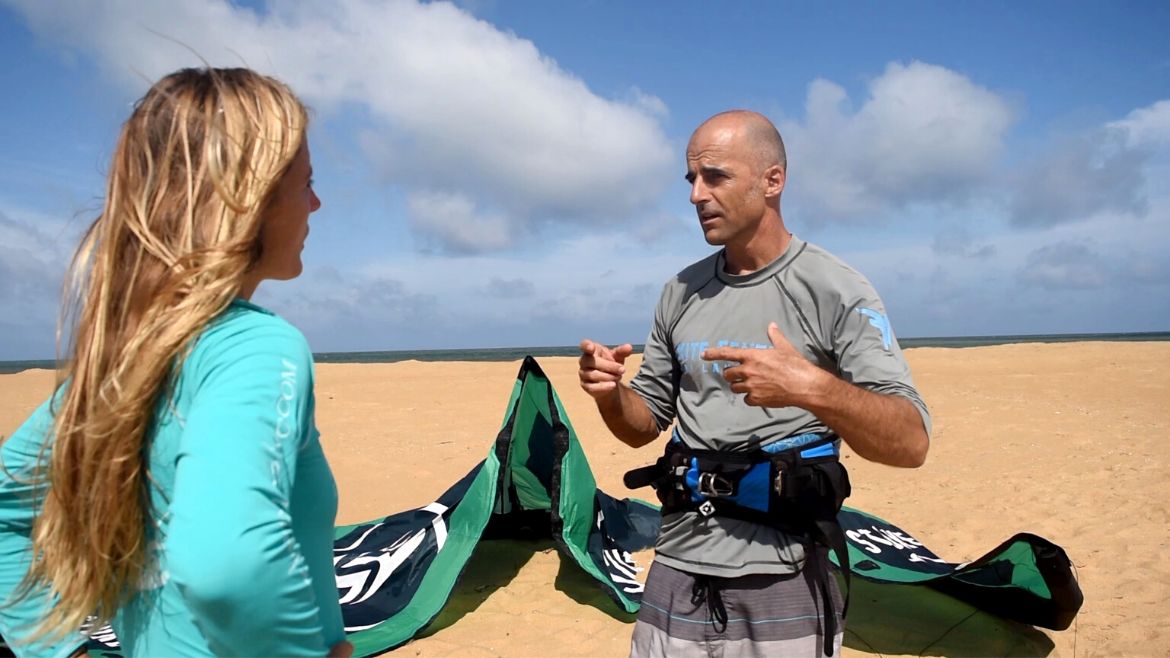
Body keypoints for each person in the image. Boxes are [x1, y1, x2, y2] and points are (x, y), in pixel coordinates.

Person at [0, 68, 352, 658]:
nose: (316, 203)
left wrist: (58, 651)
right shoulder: (255, 349)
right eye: (306, 182)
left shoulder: (128, 363)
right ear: (250, 195)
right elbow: (228, 564)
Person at [578, 110, 931, 657]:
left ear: (773, 180)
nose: (696, 195)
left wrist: (810, 387)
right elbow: (642, 426)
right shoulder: (680, 291)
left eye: (714, 176)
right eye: (691, 180)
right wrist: (611, 394)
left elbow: (910, 443)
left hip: (783, 576)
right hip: (675, 567)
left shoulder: (835, 289)